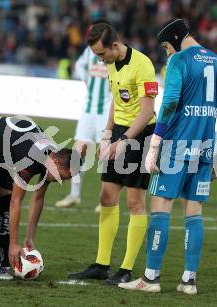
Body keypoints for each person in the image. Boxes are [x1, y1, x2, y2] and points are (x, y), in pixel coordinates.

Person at [118, 19, 217, 294]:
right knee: (194, 213)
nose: (168, 52)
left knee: (161, 208)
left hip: (176, 146)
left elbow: (168, 103)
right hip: (205, 147)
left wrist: (155, 143)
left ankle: (151, 278)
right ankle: (189, 280)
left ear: (177, 39)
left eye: (168, 46)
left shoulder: (179, 61)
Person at [68, 22, 158, 285]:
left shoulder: (143, 65)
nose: (99, 59)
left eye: (101, 54)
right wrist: (107, 134)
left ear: (115, 46)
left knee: (134, 202)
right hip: (119, 131)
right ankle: (101, 264)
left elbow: (147, 111)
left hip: (141, 134)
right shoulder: (110, 63)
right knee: (106, 197)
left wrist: (123, 140)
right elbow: (117, 102)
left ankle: (126, 268)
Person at [0, 116, 80, 280]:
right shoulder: (29, 160)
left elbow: (38, 199)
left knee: (4, 202)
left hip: (2, 152)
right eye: (62, 176)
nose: (61, 181)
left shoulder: (50, 160)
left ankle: (4, 262)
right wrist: (14, 243)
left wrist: (29, 237)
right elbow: (16, 202)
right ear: (56, 161)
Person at [55, 20, 112, 210]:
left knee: (105, 154)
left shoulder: (113, 52)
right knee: (78, 151)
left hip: (106, 110)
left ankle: (105, 199)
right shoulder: (89, 52)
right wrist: (86, 79)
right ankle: (74, 195)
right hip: (88, 110)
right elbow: (80, 65)